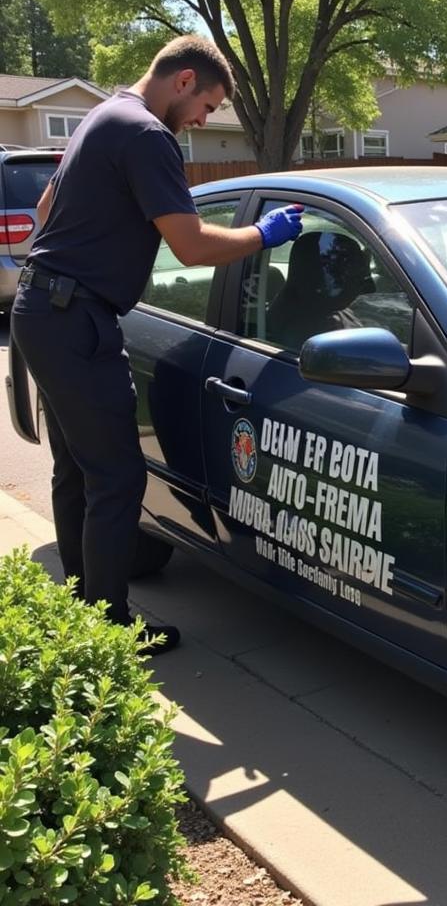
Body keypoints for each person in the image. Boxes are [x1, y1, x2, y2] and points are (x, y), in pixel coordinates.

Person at [10, 34, 303, 655]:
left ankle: (80, 617)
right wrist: (262, 233)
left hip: (42, 307)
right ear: (184, 81)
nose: (204, 121)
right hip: (76, 316)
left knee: (79, 470)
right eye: (208, 107)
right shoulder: (146, 134)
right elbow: (191, 247)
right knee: (116, 478)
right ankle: (109, 634)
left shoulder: (103, 115)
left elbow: (43, 204)